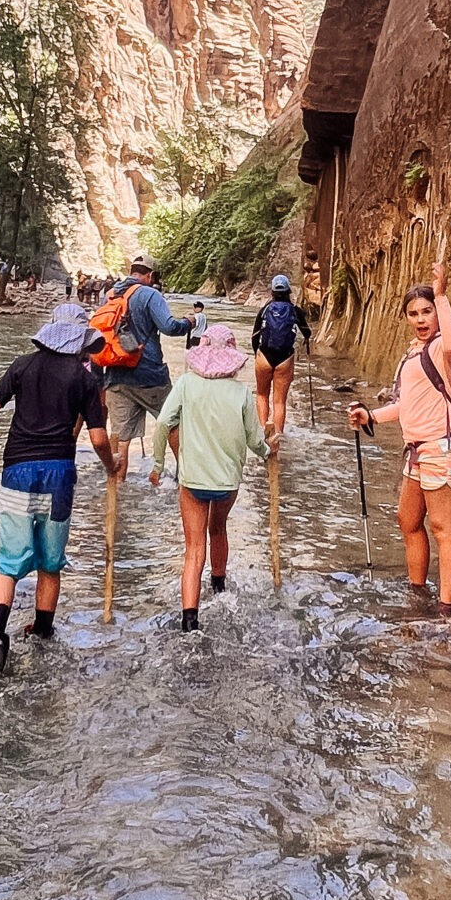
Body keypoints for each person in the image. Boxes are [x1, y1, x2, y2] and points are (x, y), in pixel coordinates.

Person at [0, 301, 126, 677]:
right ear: (79, 340)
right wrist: (112, 466)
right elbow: (97, 437)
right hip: (58, 472)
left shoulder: (22, 365)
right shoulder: (84, 378)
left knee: (9, 564)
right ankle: (42, 632)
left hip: (18, 470)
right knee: (49, 562)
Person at [348, 260, 451, 615]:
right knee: (408, 520)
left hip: (442, 445)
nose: (420, 319)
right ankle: (418, 596)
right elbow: (405, 406)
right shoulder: (414, 353)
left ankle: (448, 611)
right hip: (417, 448)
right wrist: (370, 415)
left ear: (436, 313)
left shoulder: (439, 350)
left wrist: (443, 296)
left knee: (443, 528)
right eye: (413, 313)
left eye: (427, 311)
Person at [149, 323, 275, 629]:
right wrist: (269, 453)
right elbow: (255, 440)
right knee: (217, 530)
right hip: (227, 482)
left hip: (192, 481)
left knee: (193, 549)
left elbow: (164, 422)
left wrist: (157, 464)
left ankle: (189, 620)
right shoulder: (243, 393)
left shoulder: (186, 384)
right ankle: (219, 588)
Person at [99, 254, 193, 472]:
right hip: (149, 375)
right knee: (172, 423)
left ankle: (116, 492)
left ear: (132, 271)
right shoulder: (150, 294)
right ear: (150, 275)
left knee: (121, 437)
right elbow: (169, 327)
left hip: (115, 375)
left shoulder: (110, 295)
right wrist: (188, 322)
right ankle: (185, 477)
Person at [251, 275, 312, 436]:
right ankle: (277, 437)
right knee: (279, 401)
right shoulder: (295, 310)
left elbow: (255, 335)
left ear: (272, 291)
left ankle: (264, 433)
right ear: (288, 291)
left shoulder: (265, 309)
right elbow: (307, 332)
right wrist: (306, 336)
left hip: (264, 356)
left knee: (262, 395)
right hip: (285, 358)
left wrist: (256, 353)